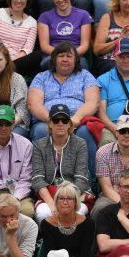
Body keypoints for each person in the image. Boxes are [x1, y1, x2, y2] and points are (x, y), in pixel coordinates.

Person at [27, 43, 101, 174]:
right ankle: (45, 178)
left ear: (76, 60)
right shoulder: (41, 77)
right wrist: (52, 121)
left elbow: (93, 102)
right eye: (61, 56)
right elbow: (34, 104)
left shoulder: (85, 75)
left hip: (77, 120)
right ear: (54, 59)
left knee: (86, 132)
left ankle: (90, 180)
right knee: (40, 130)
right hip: (47, 120)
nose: (65, 59)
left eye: (69, 56)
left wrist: (75, 119)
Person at [31, 107, 91, 223]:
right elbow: (37, 179)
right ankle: (46, 241)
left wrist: (68, 201)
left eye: (64, 120)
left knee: (77, 212)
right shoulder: (39, 145)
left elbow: (81, 179)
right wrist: (52, 204)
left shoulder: (80, 144)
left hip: (74, 194)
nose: (60, 123)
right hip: (49, 195)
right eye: (56, 120)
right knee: (43, 213)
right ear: (50, 124)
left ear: (69, 124)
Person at [38, 183, 96, 257]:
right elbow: (51, 253)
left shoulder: (88, 224)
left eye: (69, 199)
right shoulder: (46, 224)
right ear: (56, 201)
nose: (65, 202)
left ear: (76, 202)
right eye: (61, 199)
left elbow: (84, 255)